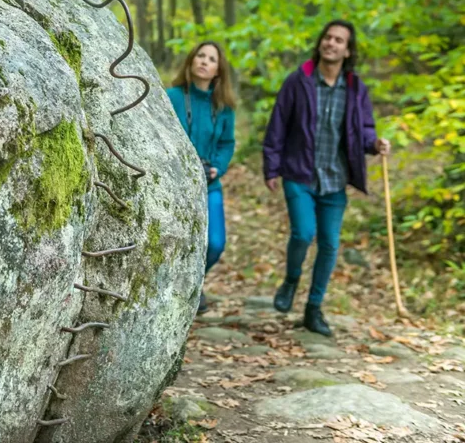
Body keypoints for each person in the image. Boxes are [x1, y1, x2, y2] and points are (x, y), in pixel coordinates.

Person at [264, 20, 391, 336]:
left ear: (347, 50)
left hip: (335, 179)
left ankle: (313, 309)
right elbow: (278, 123)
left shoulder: (355, 88)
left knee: (330, 244)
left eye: (339, 40)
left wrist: (375, 144)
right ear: (321, 43)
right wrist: (271, 166)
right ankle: (292, 279)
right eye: (328, 38)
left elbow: (363, 130)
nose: (331, 43)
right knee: (304, 233)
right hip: (299, 173)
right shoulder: (299, 80)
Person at [167, 41, 237, 315]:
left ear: (219, 70)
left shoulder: (224, 108)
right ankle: (180, 288)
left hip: (209, 184)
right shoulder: (171, 96)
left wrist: (217, 168)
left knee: (216, 243)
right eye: (200, 55)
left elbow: (227, 144)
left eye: (211, 58)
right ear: (191, 60)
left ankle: (195, 282)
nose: (204, 61)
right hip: (177, 186)